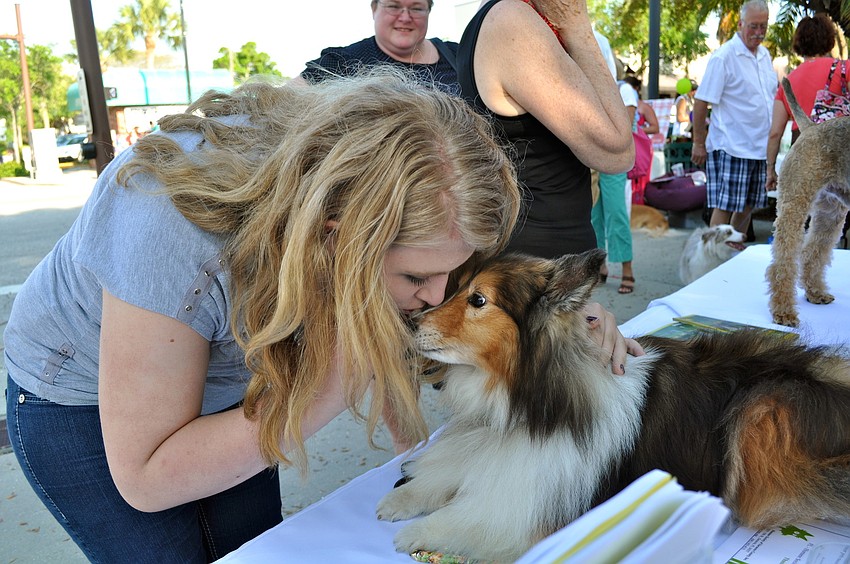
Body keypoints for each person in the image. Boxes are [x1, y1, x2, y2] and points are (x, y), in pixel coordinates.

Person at [4, 71, 638, 562]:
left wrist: (560, 328)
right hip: (79, 400)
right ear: (339, 239)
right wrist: (335, 383)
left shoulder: (394, 194)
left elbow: (466, 313)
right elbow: (144, 476)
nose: (432, 299)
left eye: (453, 273)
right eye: (416, 279)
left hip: (233, 376)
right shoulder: (170, 231)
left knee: (257, 550)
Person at [456, 0, 634, 261]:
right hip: (535, 267)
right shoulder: (512, 19)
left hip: (535, 260)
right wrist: (577, 26)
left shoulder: (502, 16)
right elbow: (616, 152)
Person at [690, 0, 777, 234]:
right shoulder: (724, 56)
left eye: (763, 26)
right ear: (740, 24)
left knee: (748, 207)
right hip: (731, 146)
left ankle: (734, 257)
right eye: (753, 26)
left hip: (759, 148)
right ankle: (710, 264)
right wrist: (699, 142)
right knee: (725, 206)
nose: (758, 33)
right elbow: (701, 101)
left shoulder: (765, 55)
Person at [296, 0, 459, 94]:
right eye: (393, 6)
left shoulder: (461, 55)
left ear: (429, 12)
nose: (405, 17)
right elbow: (281, 103)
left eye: (416, 8)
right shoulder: (343, 61)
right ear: (374, 9)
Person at [766, 13, 842, 192]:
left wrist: (770, 170)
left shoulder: (788, 82)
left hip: (803, 153)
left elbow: (775, 133)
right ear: (829, 39)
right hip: (839, 150)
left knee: (809, 214)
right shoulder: (844, 70)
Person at [593, 77, 638, 294]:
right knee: (594, 216)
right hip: (590, 158)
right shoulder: (585, 82)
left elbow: (625, 128)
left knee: (616, 213)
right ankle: (600, 265)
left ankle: (627, 269)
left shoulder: (625, 89)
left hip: (613, 159)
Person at [623, 75, 659, 205]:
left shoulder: (643, 107)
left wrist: (637, 131)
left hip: (641, 148)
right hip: (628, 146)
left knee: (641, 180)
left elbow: (655, 127)